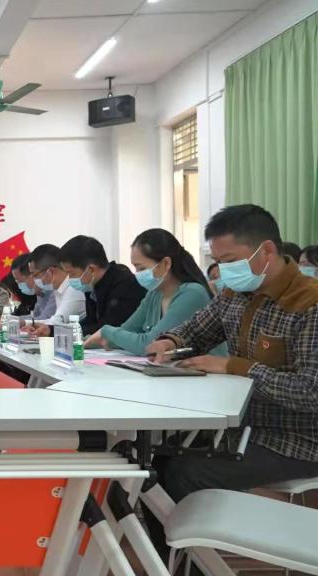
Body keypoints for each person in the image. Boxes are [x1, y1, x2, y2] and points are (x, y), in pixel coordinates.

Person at [144, 204, 318, 553]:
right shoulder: (234, 295)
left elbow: (310, 392)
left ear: (266, 250)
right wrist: (171, 342)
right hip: (243, 427)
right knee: (152, 461)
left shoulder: (309, 304)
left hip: (297, 440)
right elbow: (197, 330)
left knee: (182, 473)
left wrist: (235, 367)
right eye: (218, 261)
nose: (224, 270)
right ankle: (174, 560)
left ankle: (187, 563)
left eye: (231, 260)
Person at [82, 229, 217, 356]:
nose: (137, 274)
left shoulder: (192, 294)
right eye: (136, 268)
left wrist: (106, 331)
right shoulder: (154, 294)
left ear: (166, 263)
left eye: (141, 268)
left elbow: (150, 345)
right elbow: (125, 331)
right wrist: (84, 341)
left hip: (205, 371)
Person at [58, 235, 145, 335]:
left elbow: (108, 327)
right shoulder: (92, 285)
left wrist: (69, 333)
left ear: (91, 269)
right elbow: (90, 322)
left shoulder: (126, 285)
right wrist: (53, 330)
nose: (69, 279)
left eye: (71, 274)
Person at [27, 244, 86, 336]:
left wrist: (25, 323)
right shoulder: (58, 289)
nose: (34, 280)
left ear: (50, 271)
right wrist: (29, 324)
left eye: (35, 275)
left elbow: (55, 322)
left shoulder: (73, 289)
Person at [11, 253, 56, 321]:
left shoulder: (53, 291)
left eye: (19, 280)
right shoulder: (40, 293)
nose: (17, 284)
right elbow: (34, 316)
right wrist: (11, 319)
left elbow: (44, 319)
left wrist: (18, 321)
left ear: (32, 275)